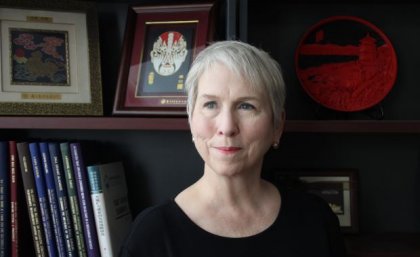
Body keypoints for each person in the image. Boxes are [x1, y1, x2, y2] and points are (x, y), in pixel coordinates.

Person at [119, 40, 346, 257]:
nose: (227, 127)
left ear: (277, 125)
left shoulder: (316, 220)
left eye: (246, 106)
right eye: (210, 104)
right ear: (191, 120)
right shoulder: (150, 236)